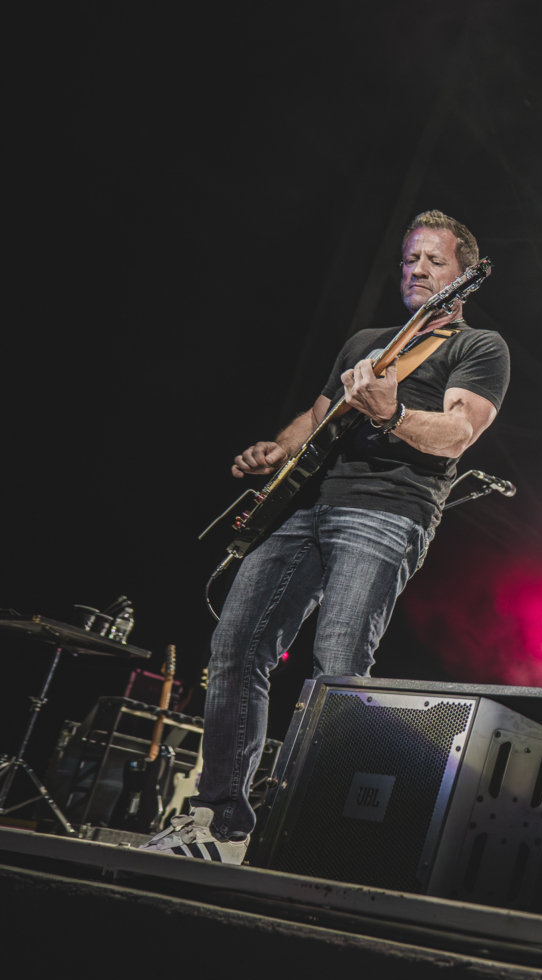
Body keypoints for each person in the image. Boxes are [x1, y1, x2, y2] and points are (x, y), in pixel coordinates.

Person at [141, 210, 510, 863]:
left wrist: (392, 412)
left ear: (463, 278)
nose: (417, 270)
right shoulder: (367, 343)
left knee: (339, 665)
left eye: (433, 260)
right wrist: (275, 449)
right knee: (235, 644)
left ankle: (314, 833)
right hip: (305, 507)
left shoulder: (477, 348)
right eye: (408, 260)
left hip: (387, 512)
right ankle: (220, 824)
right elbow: (317, 417)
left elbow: (457, 434)